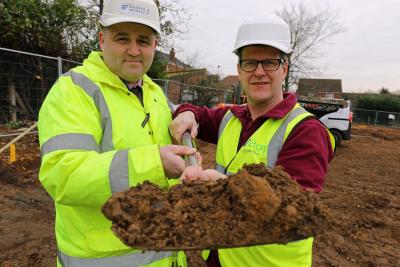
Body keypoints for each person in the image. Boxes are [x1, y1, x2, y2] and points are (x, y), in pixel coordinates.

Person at [38, 0, 198, 266]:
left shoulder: (154, 93)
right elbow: (63, 175)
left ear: (155, 45)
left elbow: (176, 128)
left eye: (143, 41)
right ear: (102, 39)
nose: (134, 50)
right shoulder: (74, 91)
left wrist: (187, 116)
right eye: (123, 38)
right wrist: (155, 163)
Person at [169, 13, 335, 267]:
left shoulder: (305, 131)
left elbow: (293, 212)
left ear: (284, 68)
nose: (259, 72)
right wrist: (186, 112)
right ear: (239, 69)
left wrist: (222, 190)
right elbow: (197, 112)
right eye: (250, 63)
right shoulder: (231, 118)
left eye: (269, 62)